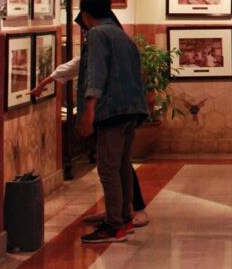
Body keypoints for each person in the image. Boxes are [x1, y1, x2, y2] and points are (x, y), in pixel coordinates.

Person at [31, 56, 150, 230]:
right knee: (114, 167)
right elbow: (69, 68)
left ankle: (133, 211)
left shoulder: (107, 50)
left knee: (119, 166)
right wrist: (43, 84)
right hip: (105, 115)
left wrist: (88, 111)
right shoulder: (95, 50)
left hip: (115, 114)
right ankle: (114, 211)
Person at [72, 0, 148, 243]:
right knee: (123, 166)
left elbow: (96, 72)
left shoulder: (96, 35)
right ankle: (124, 215)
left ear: (85, 14)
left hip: (111, 110)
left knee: (107, 169)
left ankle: (114, 225)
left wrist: (88, 110)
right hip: (130, 109)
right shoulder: (120, 34)